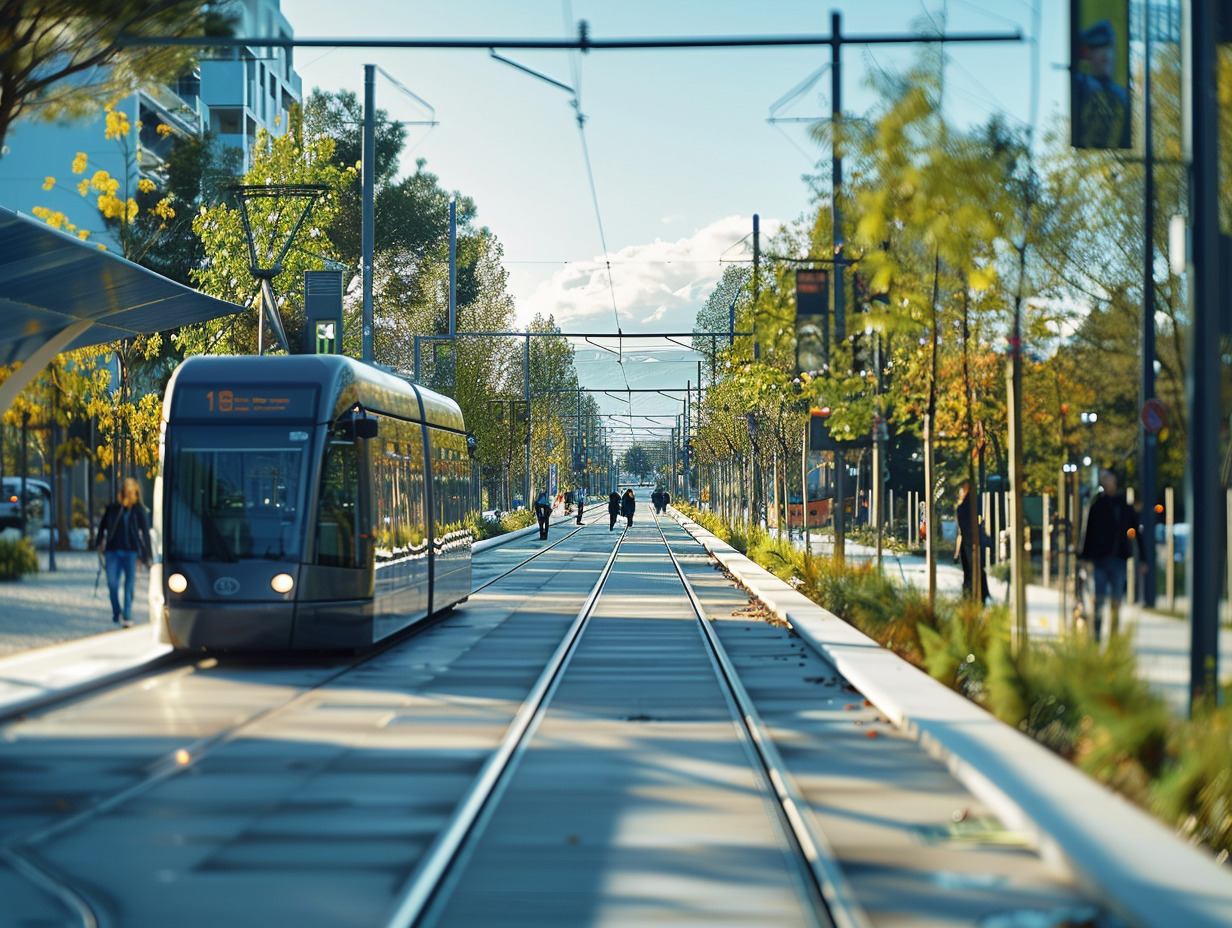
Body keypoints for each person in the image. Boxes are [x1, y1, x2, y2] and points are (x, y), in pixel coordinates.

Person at [1078, 468, 1143, 642]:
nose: (1104, 481)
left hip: (1118, 558)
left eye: (1107, 477)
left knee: (1116, 599)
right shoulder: (1097, 505)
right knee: (1098, 598)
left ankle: (1113, 637)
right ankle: (1096, 634)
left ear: (1115, 480)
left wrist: (1142, 559)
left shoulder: (1124, 506)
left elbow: (1137, 532)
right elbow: (1089, 532)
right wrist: (1084, 556)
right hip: (1100, 559)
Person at [94, 477, 153, 627]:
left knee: (129, 585)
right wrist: (98, 543)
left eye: (132, 492)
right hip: (113, 552)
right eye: (127, 492)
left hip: (131, 552)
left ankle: (127, 614)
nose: (129, 495)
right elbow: (102, 527)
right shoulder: (113, 509)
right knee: (112, 584)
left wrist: (148, 555)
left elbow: (145, 533)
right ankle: (116, 612)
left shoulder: (138, 510)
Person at [1072, 19, 1130, 150]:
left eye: (1109, 48)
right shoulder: (1082, 85)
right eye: (1099, 49)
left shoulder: (1122, 96)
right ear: (1087, 54)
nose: (1106, 56)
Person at [954, 480, 990, 605]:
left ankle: (969, 596)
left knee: (969, 573)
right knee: (978, 570)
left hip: (968, 544)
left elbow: (961, 531)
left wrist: (956, 553)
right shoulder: (977, 505)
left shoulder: (962, 508)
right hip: (975, 542)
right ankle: (980, 596)